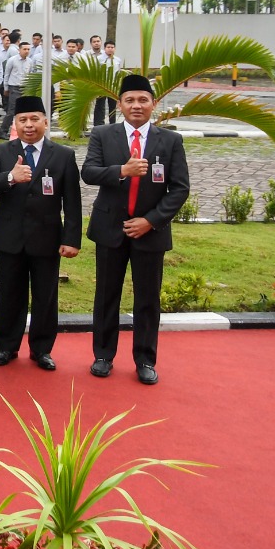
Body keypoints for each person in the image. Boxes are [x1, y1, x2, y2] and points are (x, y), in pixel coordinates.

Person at [81, 73, 189, 385]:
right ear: (120, 105)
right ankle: (103, 355)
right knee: (106, 295)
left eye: (143, 100)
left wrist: (151, 221)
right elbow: (89, 172)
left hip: (149, 232)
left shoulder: (170, 141)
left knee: (147, 298)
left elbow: (179, 189)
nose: (136, 105)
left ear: (153, 104)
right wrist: (122, 171)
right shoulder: (103, 134)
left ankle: (145, 359)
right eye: (130, 100)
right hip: (110, 228)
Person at [0, 95, 82, 371]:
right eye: (23, 120)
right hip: (10, 238)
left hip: (47, 238)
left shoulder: (63, 155)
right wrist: (10, 177)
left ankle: (42, 350)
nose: (29, 125)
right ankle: (6, 347)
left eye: (34, 119)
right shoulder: (2, 152)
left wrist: (72, 239)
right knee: (9, 294)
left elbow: (72, 201)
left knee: (45, 297)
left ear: (45, 122)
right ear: (15, 123)